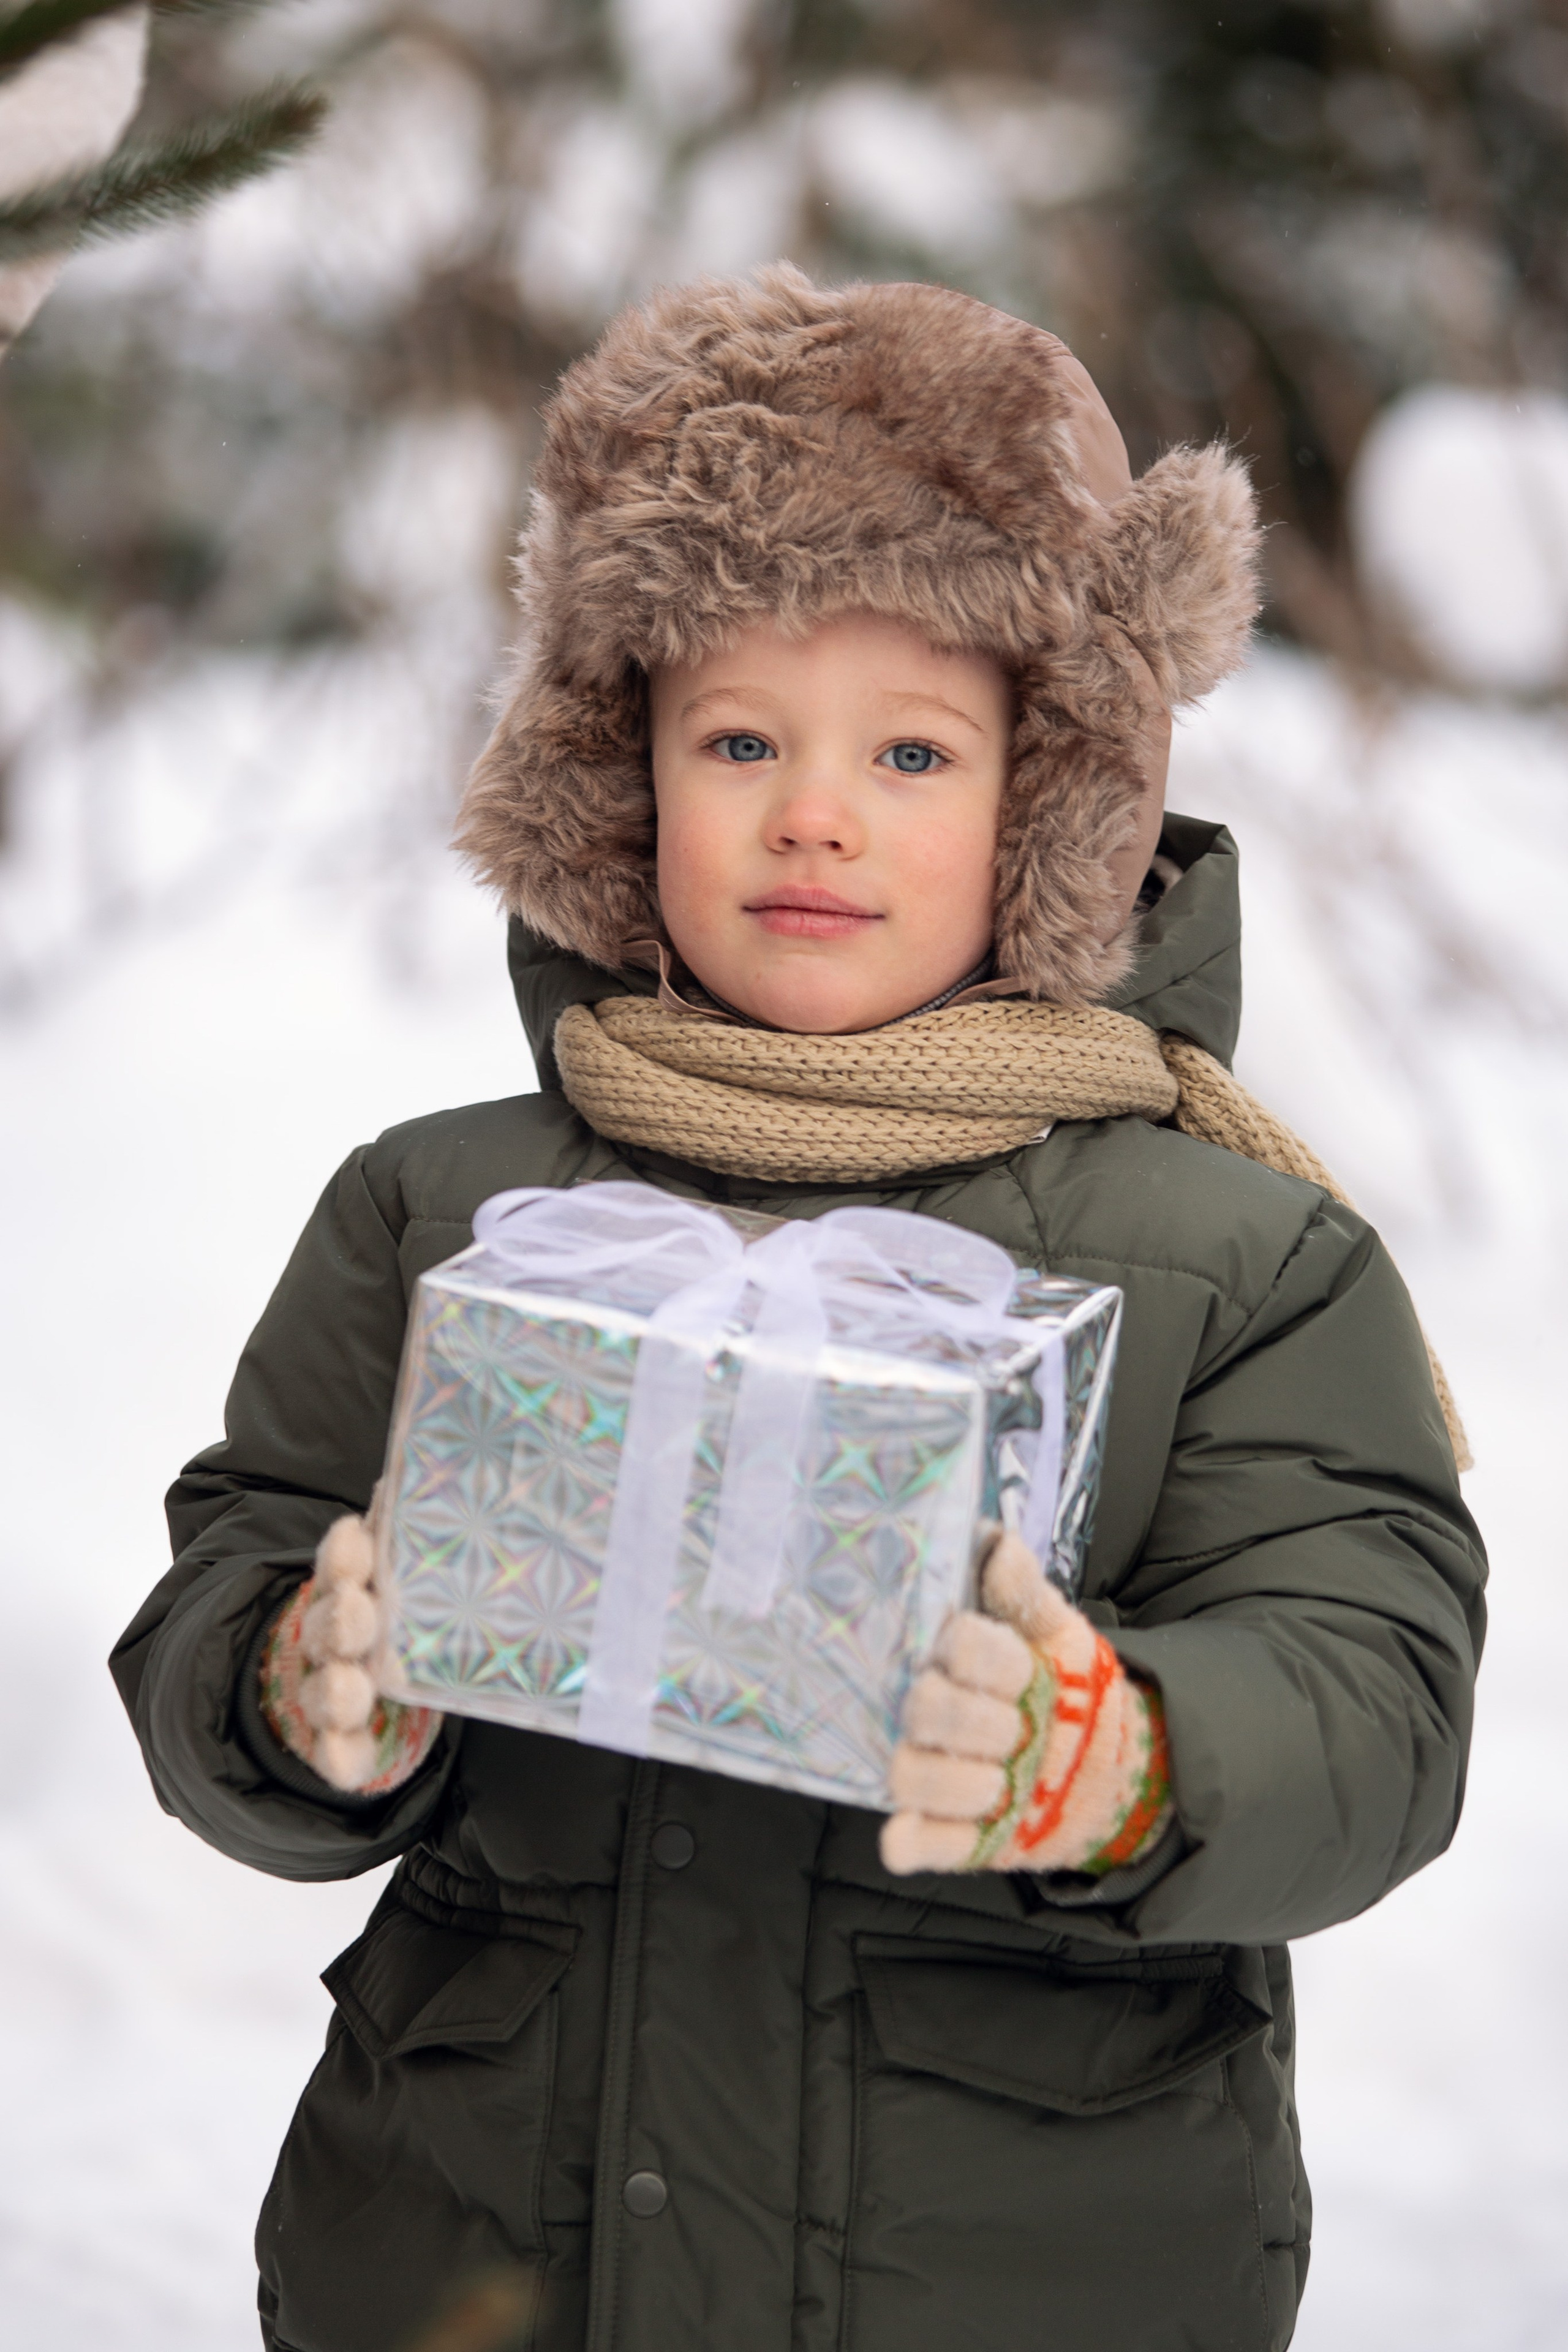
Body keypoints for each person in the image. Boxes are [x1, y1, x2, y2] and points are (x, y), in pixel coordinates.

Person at [111, 266, 1485, 2352]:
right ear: (616, 770)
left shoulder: (1237, 1258)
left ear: (1054, 800)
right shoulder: (451, 1209)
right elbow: (237, 1559)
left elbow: (1373, 1685)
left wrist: (1123, 1760)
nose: (813, 812)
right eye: (737, 736)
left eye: (913, 751)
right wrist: (298, 1688)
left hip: (1017, 2271)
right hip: (483, 2264)